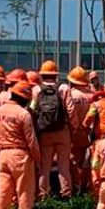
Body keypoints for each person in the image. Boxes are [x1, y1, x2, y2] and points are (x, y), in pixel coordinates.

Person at [0, 81, 41, 209]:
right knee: (24, 192)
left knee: (3, 192)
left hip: (3, 155)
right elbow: (31, 140)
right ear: (24, 98)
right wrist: (37, 159)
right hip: (20, 155)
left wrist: (0, 151)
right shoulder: (23, 114)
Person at [33, 61, 73, 198]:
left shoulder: (36, 90)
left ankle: (43, 194)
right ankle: (66, 193)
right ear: (56, 75)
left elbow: (33, 110)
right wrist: (72, 128)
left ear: (42, 75)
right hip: (62, 130)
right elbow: (71, 110)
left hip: (45, 132)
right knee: (64, 165)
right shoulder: (64, 88)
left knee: (45, 166)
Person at [63, 66, 94, 190]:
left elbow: (69, 113)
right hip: (88, 132)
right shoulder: (91, 95)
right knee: (87, 159)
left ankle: (76, 185)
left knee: (73, 159)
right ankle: (85, 184)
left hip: (74, 131)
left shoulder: (71, 95)